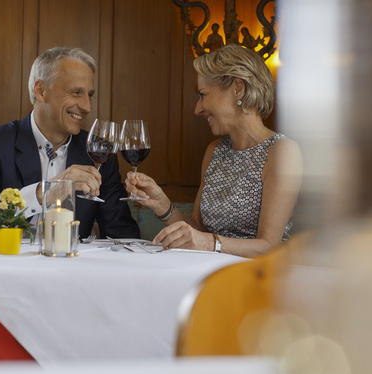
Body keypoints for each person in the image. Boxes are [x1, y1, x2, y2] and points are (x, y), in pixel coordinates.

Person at [125, 44, 302, 257]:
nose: (197, 109)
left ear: (238, 88)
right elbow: (197, 231)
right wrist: (161, 203)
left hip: (255, 273)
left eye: (203, 95)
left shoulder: (282, 152)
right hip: (208, 268)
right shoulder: (215, 150)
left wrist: (210, 243)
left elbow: (269, 246)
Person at [0, 47, 140, 239]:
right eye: (76, 92)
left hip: (72, 259)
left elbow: (122, 234)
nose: (87, 107)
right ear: (40, 91)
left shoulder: (100, 153)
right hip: (6, 257)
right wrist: (44, 192)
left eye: (89, 94)